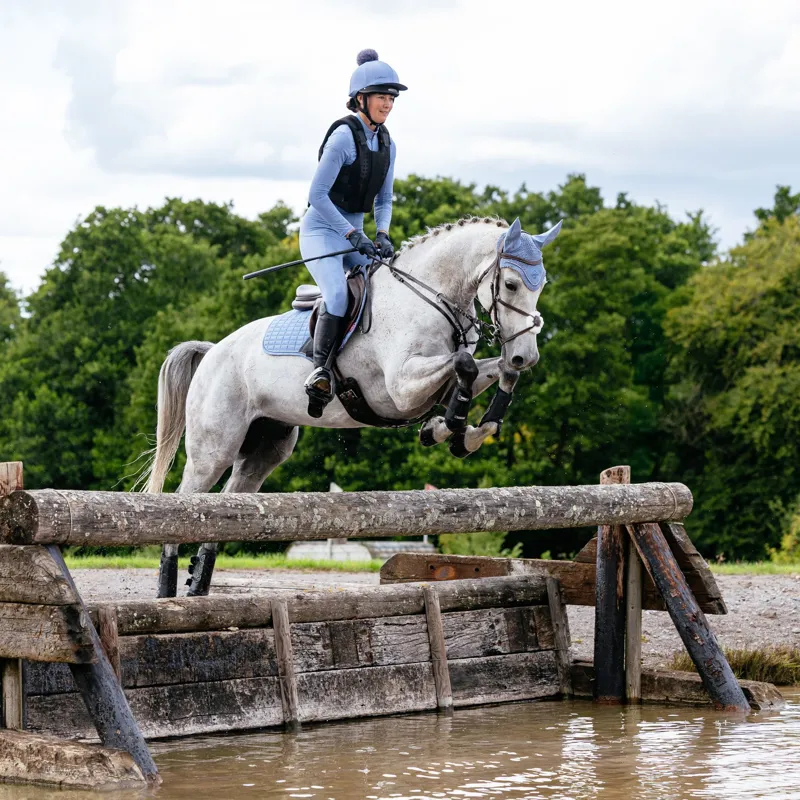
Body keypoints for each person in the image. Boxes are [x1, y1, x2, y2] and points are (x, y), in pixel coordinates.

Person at [299, 48, 406, 417]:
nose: (388, 104)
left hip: (354, 235)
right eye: (382, 97)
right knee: (338, 295)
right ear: (361, 99)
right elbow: (317, 196)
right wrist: (350, 234)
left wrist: (383, 233)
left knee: (392, 283)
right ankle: (320, 373)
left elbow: (385, 198)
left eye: (392, 98)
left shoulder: (387, 144)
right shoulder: (344, 137)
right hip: (322, 232)